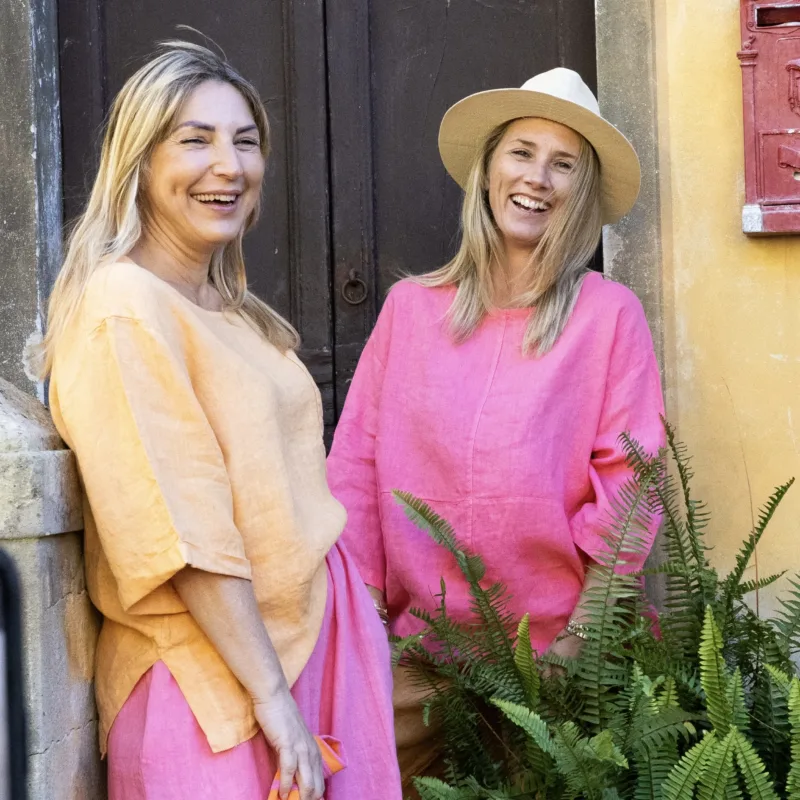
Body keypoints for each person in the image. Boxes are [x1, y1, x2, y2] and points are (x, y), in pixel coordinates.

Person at [35, 41, 401, 800]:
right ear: (137, 159)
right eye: (194, 140)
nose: (229, 166)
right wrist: (273, 701)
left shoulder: (230, 313)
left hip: (300, 650)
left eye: (245, 140)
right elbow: (183, 535)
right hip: (212, 682)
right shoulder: (122, 307)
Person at [326, 67, 665, 788]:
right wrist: (364, 634)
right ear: (487, 172)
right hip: (415, 661)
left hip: (554, 668)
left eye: (563, 163)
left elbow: (632, 490)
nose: (537, 177)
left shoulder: (606, 318)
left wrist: (582, 645)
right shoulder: (409, 312)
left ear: (581, 195)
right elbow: (355, 470)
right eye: (521, 151)